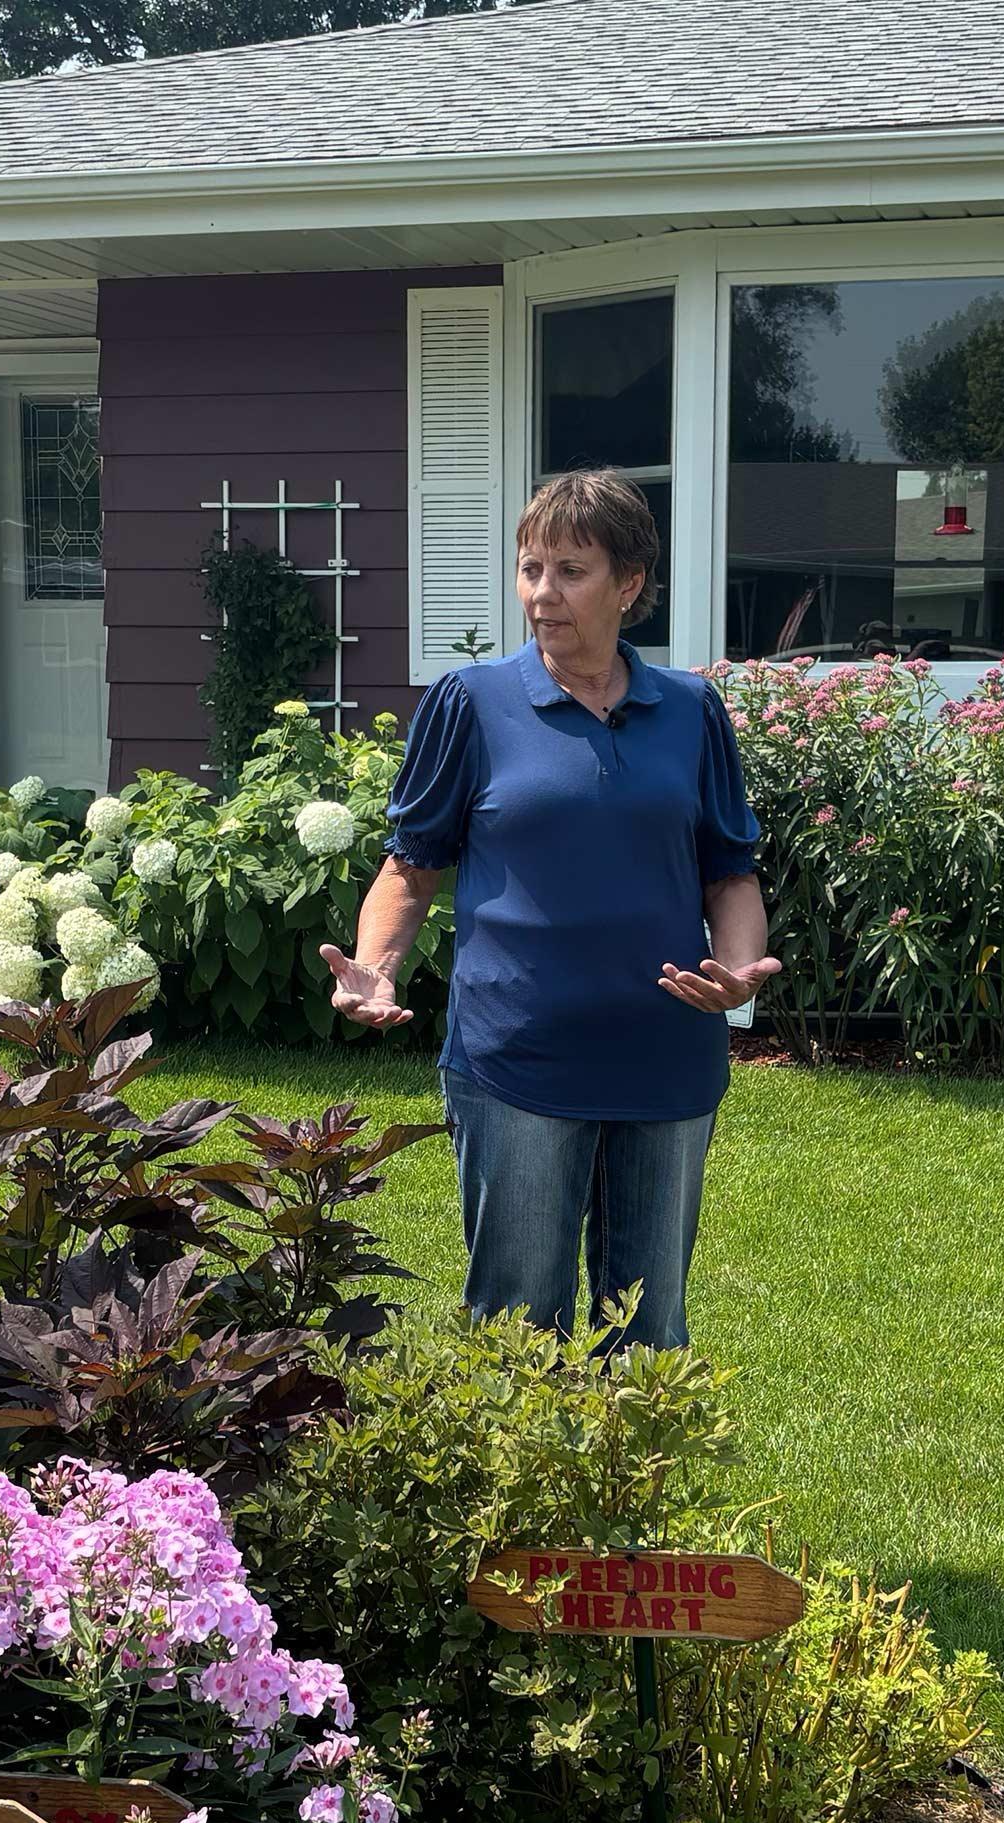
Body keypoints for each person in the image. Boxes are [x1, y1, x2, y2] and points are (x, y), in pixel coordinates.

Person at [319, 470, 772, 1348]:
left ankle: (629, 1450)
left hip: (666, 1056)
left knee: (650, 1331)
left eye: (570, 571)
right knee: (519, 1327)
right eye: (530, 569)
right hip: (518, 1057)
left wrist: (738, 972)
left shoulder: (690, 710)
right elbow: (411, 867)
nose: (541, 594)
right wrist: (376, 966)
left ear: (629, 584)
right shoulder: (472, 703)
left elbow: (730, 872)